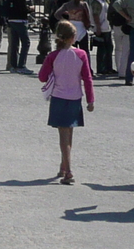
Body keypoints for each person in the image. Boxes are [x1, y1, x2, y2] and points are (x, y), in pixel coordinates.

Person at [38, 19, 93, 185]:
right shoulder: (81, 54)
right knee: (69, 134)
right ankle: (64, 166)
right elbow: (88, 79)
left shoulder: (53, 56)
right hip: (75, 97)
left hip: (59, 97)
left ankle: (67, 170)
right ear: (72, 37)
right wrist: (90, 99)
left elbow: (42, 77)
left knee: (63, 135)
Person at [4, 0, 31, 72]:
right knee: (26, 42)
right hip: (20, 19)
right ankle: (21, 65)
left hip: (11, 19)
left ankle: (13, 65)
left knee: (14, 44)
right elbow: (22, 7)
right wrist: (29, 9)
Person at [87, 0, 113, 76]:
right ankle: (101, 68)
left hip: (107, 26)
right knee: (102, 49)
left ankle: (108, 67)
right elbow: (95, 14)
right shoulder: (97, 0)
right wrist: (98, 27)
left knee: (109, 48)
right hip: (101, 27)